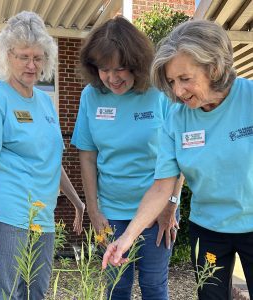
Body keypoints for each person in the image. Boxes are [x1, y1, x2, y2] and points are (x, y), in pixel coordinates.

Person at [102, 19, 253, 300]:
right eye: (172, 81)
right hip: (208, 228)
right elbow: (162, 186)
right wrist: (126, 239)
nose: (178, 91)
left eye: (185, 79)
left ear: (215, 67)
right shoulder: (177, 118)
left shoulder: (249, 98)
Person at [0, 11, 85, 300]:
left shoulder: (45, 104)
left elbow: (52, 162)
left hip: (42, 218)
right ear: (7, 56)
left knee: (35, 293)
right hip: (6, 216)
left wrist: (77, 202)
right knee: (4, 293)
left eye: (38, 57)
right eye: (23, 56)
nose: (31, 64)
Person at [71, 16, 184, 300]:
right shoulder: (90, 96)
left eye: (120, 68)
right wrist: (93, 210)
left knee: (153, 284)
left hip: (158, 210)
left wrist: (171, 203)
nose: (112, 77)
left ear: (136, 63)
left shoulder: (160, 92)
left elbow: (179, 152)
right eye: (104, 69)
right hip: (110, 211)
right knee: (116, 286)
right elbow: (87, 156)